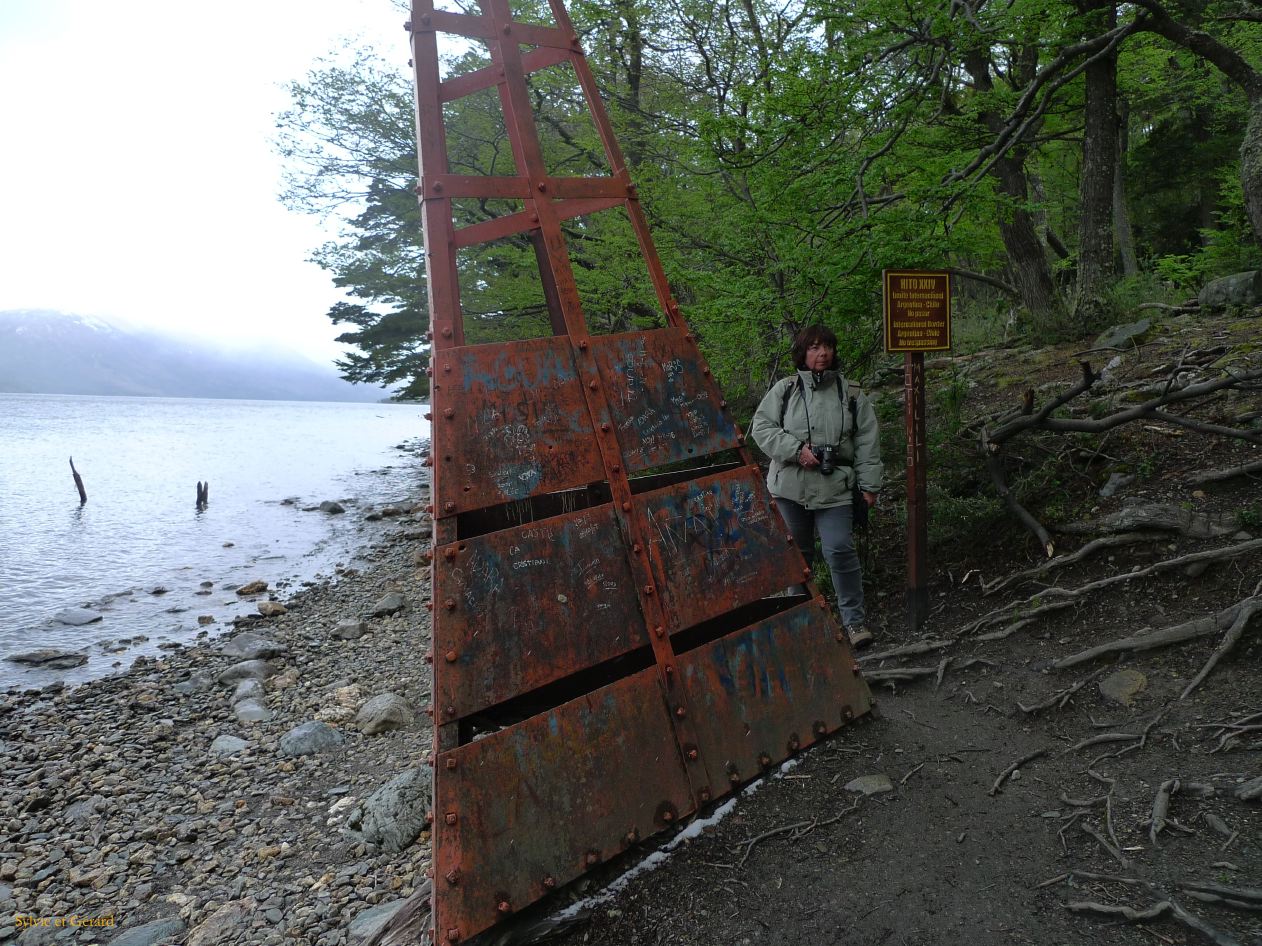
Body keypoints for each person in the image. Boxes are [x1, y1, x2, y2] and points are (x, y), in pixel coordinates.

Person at [750, 325, 883, 647]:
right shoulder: (785, 390)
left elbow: (867, 442)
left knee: (839, 548)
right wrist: (797, 451)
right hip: (790, 489)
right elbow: (761, 427)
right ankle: (800, 621)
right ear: (802, 352)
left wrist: (870, 486)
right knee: (797, 557)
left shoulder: (850, 394)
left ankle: (854, 623)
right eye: (813, 347)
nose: (821, 353)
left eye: (826, 346)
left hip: (835, 488)